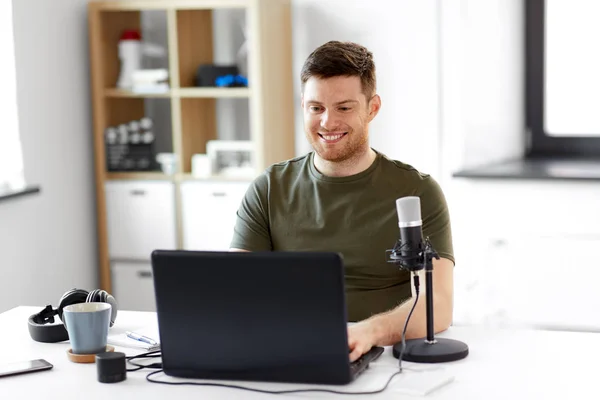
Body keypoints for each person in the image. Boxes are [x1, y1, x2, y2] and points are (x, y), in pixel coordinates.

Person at [230, 41, 455, 362]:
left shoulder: (417, 191)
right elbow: (236, 291)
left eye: (344, 108)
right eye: (316, 108)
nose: (327, 122)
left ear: (372, 108)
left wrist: (369, 332)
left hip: (386, 355)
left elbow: (438, 305)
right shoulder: (268, 188)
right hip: (291, 350)